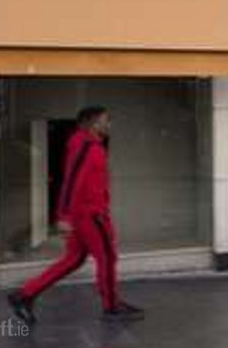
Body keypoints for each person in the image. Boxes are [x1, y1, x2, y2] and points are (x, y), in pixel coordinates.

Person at [8, 106, 143, 325]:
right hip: (89, 215)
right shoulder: (86, 146)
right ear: (93, 124)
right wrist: (64, 215)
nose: (110, 125)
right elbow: (70, 181)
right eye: (106, 120)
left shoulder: (90, 145)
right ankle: (111, 307)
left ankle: (25, 295)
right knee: (107, 258)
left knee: (74, 259)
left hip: (87, 213)